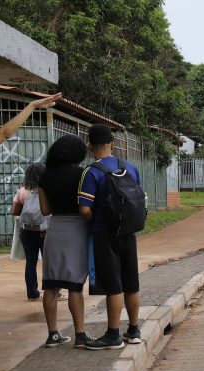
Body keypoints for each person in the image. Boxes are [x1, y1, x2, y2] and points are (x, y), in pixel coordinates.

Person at [79, 124, 141, 350]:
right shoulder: (131, 168)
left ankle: (113, 334)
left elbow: (85, 209)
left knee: (113, 284)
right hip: (128, 232)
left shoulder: (91, 172)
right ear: (112, 144)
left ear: (90, 146)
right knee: (131, 283)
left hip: (104, 234)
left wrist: (94, 221)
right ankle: (134, 330)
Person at [37, 134, 94, 347]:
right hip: (77, 230)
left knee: (51, 285)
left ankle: (53, 335)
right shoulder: (83, 175)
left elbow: (45, 210)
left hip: (54, 231)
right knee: (74, 285)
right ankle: (80, 335)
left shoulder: (45, 177)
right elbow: (87, 206)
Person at [12, 163, 48, 301]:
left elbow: (14, 211)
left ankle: (32, 293)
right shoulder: (47, 190)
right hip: (44, 230)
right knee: (48, 261)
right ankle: (51, 291)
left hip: (26, 230)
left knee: (31, 262)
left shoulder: (22, 191)